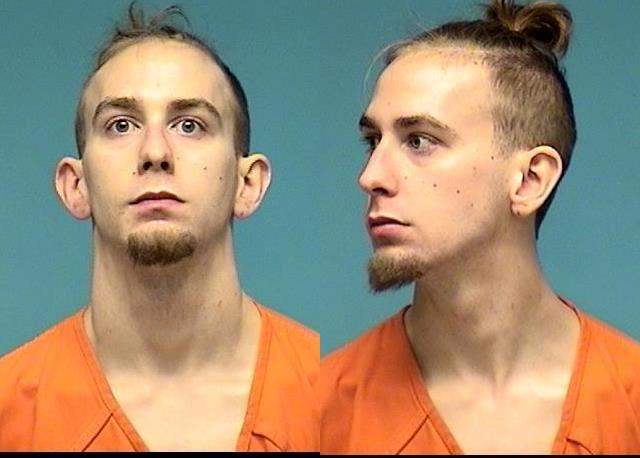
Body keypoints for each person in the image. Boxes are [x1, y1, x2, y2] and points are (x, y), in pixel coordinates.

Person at [318, 0, 640, 454]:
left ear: (529, 180)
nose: (371, 176)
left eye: (419, 141)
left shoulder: (630, 404)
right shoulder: (316, 414)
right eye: (373, 141)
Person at [0, 4, 318, 452]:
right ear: (76, 185)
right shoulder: (9, 412)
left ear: (247, 184)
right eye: (121, 125)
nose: (155, 152)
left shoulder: (334, 395)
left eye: (189, 125)